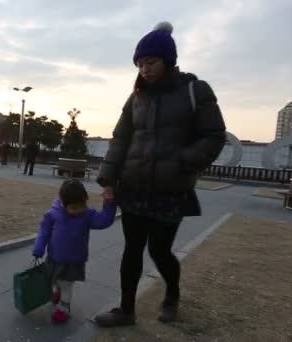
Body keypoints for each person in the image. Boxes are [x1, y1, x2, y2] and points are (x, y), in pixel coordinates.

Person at [95, 22, 226, 327]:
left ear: (168, 60)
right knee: (132, 249)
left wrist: (183, 160)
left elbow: (214, 136)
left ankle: (172, 295)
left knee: (160, 250)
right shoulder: (136, 97)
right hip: (133, 186)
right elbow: (120, 139)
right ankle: (126, 309)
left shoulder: (196, 90)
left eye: (150, 62)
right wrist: (107, 180)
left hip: (171, 190)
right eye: (140, 64)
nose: (144, 69)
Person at [32, 179, 117, 324]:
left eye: (82, 205)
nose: (79, 210)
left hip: (73, 261)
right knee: (55, 280)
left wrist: (109, 204)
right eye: (74, 208)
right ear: (63, 204)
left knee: (66, 284)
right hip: (54, 257)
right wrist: (38, 248)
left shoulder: (87, 215)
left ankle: (64, 309)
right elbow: (44, 232)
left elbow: (103, 221)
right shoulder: (52, 214)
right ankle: (56, 292)